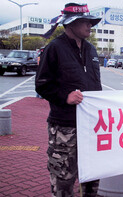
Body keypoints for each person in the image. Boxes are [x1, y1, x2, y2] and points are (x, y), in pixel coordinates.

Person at [35, 3, 102, 196]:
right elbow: (42, 85)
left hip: (91, 126)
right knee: (63, 178)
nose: (89, 26)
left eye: (90, 22)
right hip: (65, 127)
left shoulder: (91, 50)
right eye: (84, 22)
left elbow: (96, 84)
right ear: (70, 25)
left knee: (92, 177)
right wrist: (65, 97)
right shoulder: (54, 48)